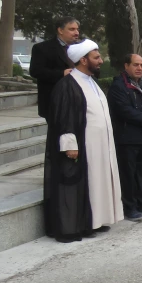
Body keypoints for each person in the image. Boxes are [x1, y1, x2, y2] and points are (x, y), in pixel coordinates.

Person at [43, 40, 124, 242]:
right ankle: (81, 225)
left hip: (100, 146)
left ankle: (95, 221)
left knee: (98, 184)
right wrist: (70, 145)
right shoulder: (68, 84)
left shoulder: (91, 81)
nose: (101, 61)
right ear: (83, 59)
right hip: (83, 147)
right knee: (85, 185)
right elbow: (63, 118)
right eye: (96, 57)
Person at [108, 53, 142, 222]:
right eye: (135, 65)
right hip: (127, 138)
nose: (139, 68)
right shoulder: (119, 86)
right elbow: (124, 111)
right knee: (128, 175)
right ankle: (129, 207)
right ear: (126, 66)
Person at [30, 16, 78, 119]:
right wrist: (61, 74)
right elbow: (36, 71)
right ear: (60, 30)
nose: (76, 32)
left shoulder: (80, 48)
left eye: (77, 29)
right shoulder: (42, 48)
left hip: (77, 101)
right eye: (72, 29)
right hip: (54, 102)